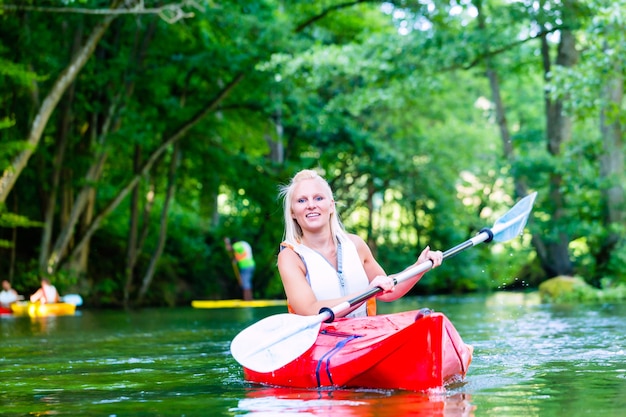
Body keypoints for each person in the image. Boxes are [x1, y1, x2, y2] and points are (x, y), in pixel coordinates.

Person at [277, 169, 443, 318]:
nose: (311, 205)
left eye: (318, 198)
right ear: (292, 212)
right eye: (302, 201)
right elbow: (309, 310)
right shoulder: (290, 257)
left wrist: (420, 266)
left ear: (331, 205)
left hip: (363, 335)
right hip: (321, 342)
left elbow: (387, 291)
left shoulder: (355, 244)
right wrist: (367, 292)